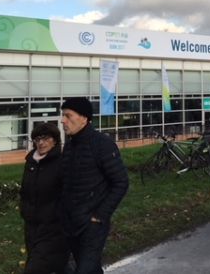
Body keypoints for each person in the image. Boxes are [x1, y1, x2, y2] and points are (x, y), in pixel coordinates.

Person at [60, 97, 129, 273]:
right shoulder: (69, 146)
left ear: (84, 118)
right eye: (63, 116)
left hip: (92, 226)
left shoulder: (102, 144)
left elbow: (121, 182)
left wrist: (100, 215)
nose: (62, 121)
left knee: (85, 269)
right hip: (71, 224)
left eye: (68, 116)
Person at [20, 123, 69, 274]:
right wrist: (25, 211)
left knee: (34, 269)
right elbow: (24, 192)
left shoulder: (62, 162)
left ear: (55, 140)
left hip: (53, 229)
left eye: (46, 138)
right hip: (31, 227)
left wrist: (56, 215)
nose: (41, 143)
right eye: (37, 139)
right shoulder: (30, 163)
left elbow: (67, 194)